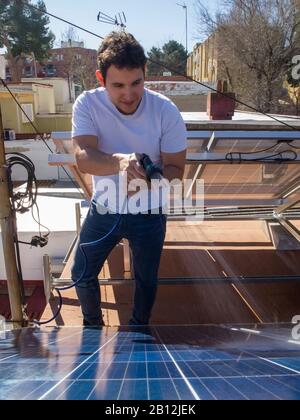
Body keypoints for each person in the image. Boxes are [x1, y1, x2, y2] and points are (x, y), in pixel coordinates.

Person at [71, 31, 187, 327]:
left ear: (145, 73)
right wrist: (121, 161)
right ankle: (92, 327)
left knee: (146, 279)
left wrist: (150, 180)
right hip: (104, 209)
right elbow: (82, 156)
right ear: (100, 78)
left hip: (149, 213)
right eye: (118, 85)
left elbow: (176, 170)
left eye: (136, 83)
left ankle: (138, 328)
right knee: (81, 274)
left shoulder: (166, 111)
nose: (129, 94)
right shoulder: (86, 104)